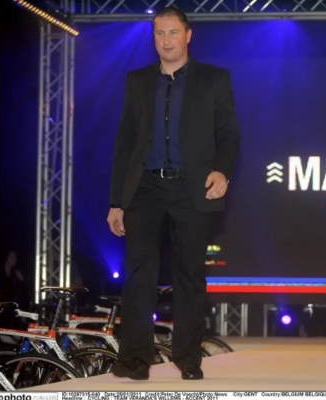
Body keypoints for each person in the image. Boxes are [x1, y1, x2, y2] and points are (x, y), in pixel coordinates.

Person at [106, 6, 240, 381]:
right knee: (138, 273)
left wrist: (222, 170)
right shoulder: (137, 80)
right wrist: (116, 201)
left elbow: (229, 133)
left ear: (188, 35)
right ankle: (135, 358)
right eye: (159, 33)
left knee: (189, 274)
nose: (166, 41)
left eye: (173, 33)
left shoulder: (214, 79)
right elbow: (125, 143)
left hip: (191, 188)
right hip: (144, 187)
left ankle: (188, 357)